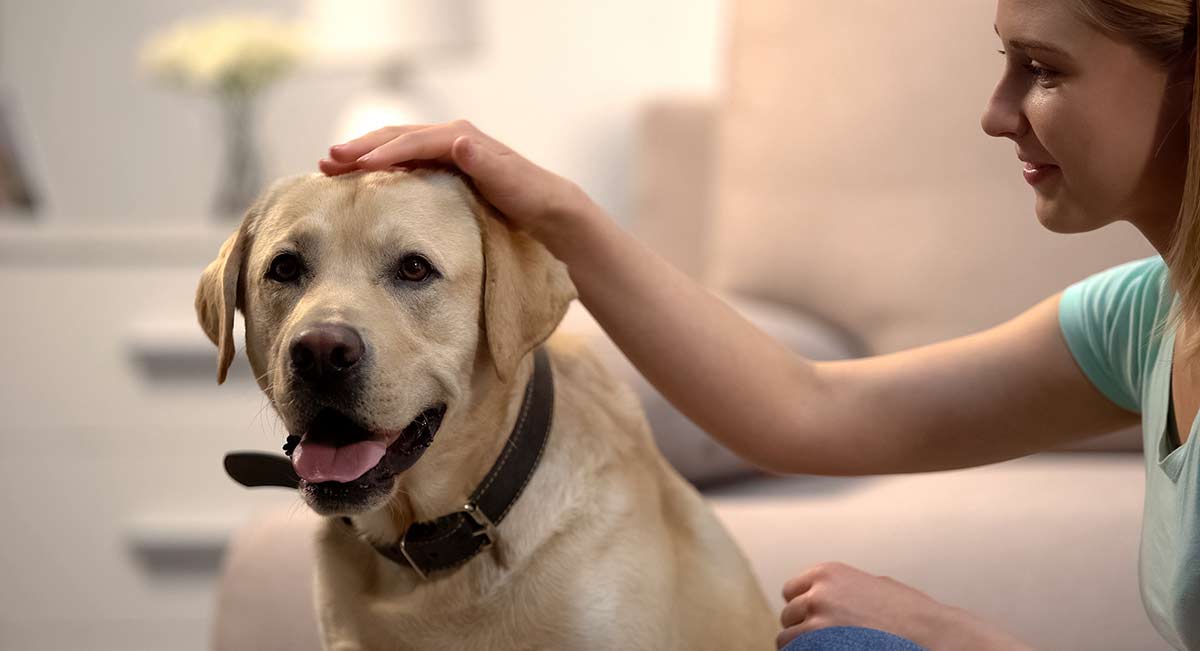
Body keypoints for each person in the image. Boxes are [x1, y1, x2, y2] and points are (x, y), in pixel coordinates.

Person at [317, 0, 1199, 648]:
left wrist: (954, 634)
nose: (996, 112)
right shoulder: (1144, 318)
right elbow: (808, 407)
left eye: (1043, 70)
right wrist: (555, 212)